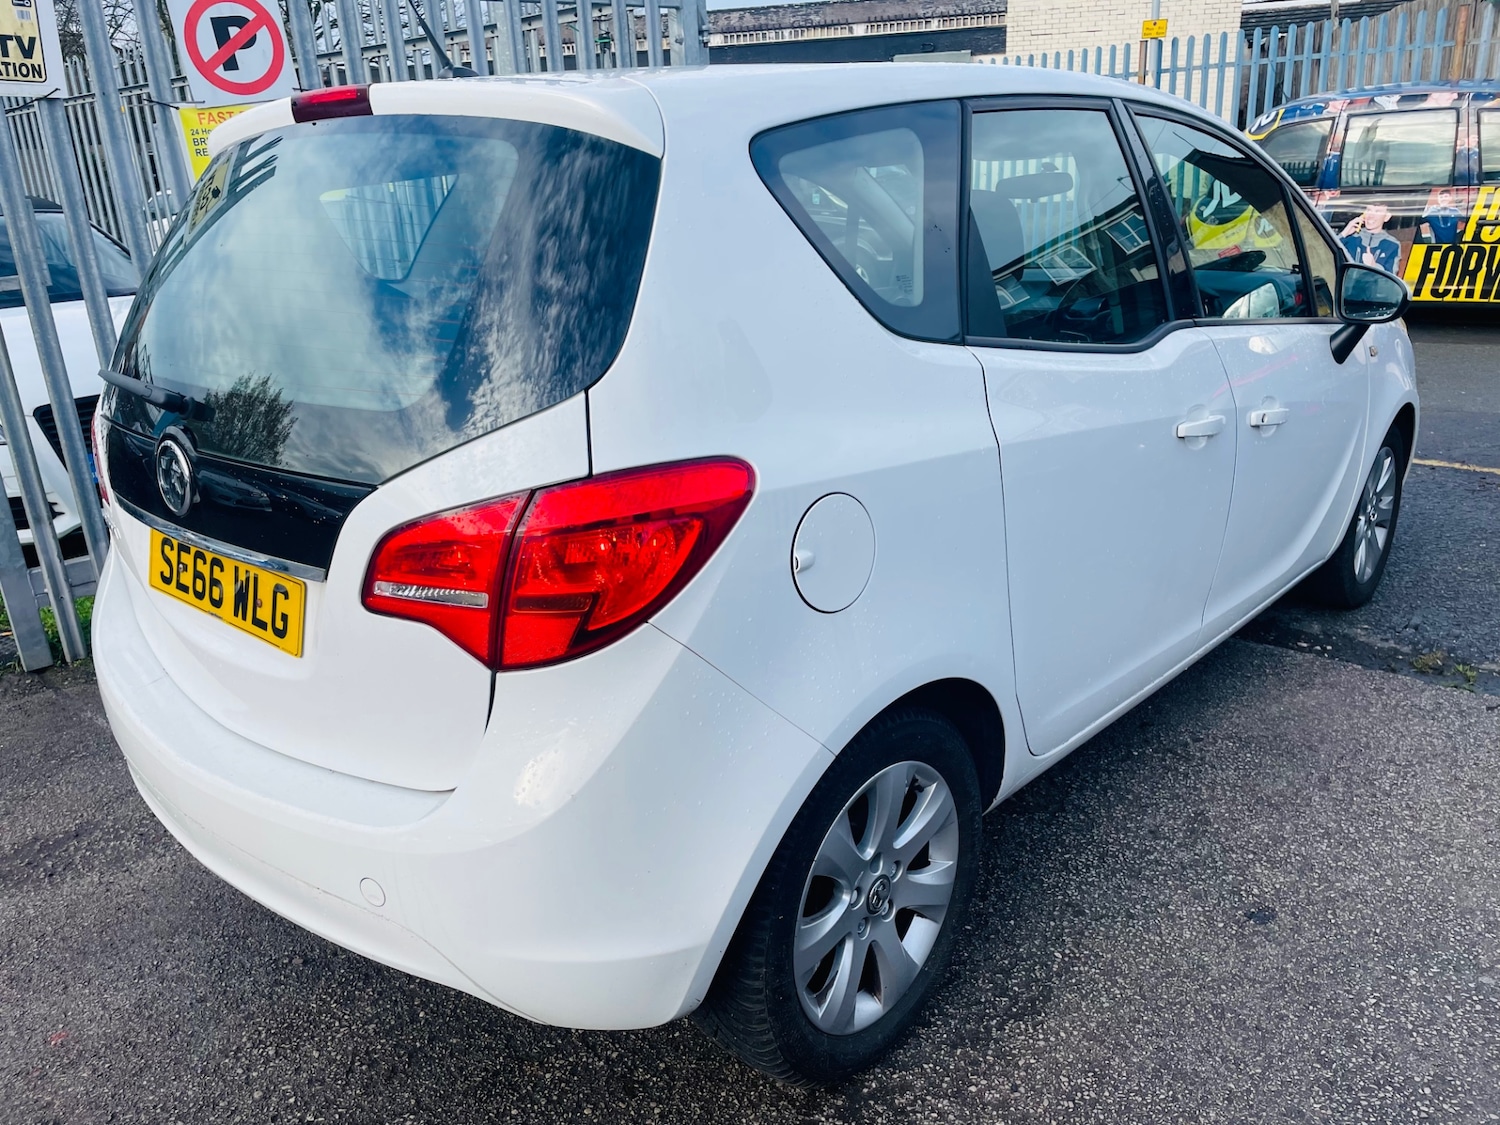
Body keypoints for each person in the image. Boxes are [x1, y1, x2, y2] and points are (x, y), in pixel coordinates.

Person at [1339, 203, 1402, 272]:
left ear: (1387, 217)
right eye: (1369, 210)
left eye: (1378, 212)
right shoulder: (1351, 236)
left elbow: (1390, 278)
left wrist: (1374, 266)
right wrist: (1344, 234)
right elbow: (1328, 258)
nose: (1371, 215)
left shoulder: (1392, 245)